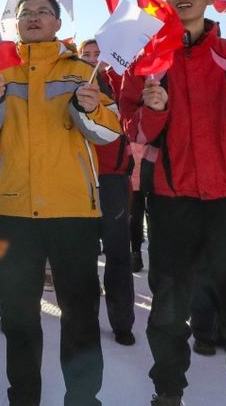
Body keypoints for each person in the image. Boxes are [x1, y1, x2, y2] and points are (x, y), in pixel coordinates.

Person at [117, 0, 226, 406]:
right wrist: (154, 109)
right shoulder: (147, 62)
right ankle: (167, 393)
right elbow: (133, 130)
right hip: (172, 201)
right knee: (168, 314)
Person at [0, 0, 122, 406]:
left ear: (58, 22)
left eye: (43, 13)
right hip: (14, 211)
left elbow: (109, 133)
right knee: (18, 317)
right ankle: (23, 397)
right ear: (15, 24)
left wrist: (91, 111)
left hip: (73, 211)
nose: (34, 18)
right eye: (26, 14)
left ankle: (83, 398)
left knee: (81, 316)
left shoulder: (82, 71)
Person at [77, 38, 137, 346]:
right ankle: (85, 321)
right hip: (79, 180)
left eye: (98, 54)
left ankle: (122, 322)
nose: (91, 59)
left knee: (117, 253)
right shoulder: (71, 83)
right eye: (85, 54)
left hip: (113, 179)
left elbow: (130, 122)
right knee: (84, 255)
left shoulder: (119, 84)